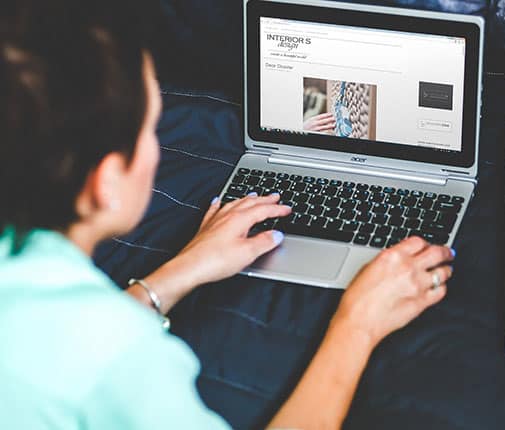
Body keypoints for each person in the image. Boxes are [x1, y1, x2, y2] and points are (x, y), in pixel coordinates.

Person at [0, 0, 455, 428]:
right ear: (106, 184)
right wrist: (358, 323)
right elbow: (91, 352)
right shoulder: (128, 359)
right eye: (149, 129)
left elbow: (56, 344)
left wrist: (180, 273)